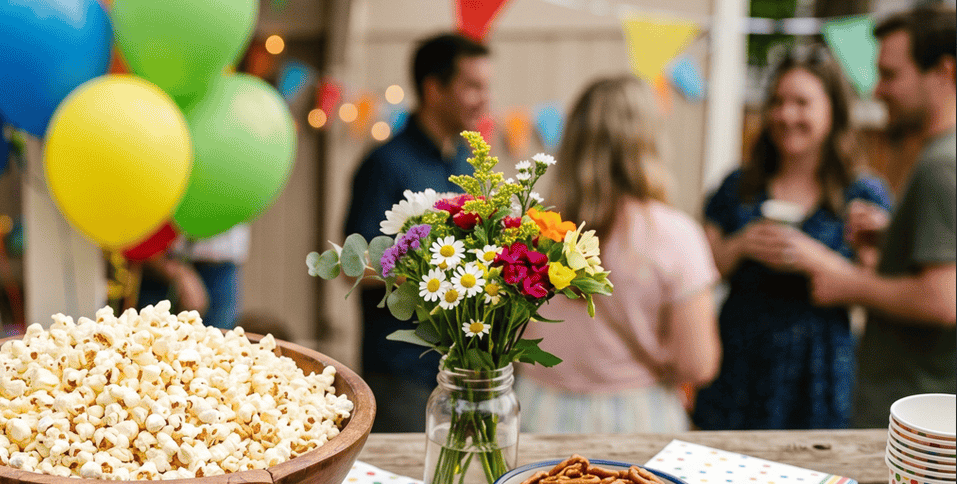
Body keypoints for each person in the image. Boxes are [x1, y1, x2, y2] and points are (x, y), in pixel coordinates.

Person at [693, 47, 893, 430]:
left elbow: (881, 289)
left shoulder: (864, 194)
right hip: (741, 358)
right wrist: (741, 245)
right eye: (778, 102)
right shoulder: (739, 185)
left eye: (802, 103)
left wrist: (818, 259)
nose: (786, 115)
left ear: (832, 109)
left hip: (819, 364)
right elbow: (702, 269)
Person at [515, 76, 722, 434]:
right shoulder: (675, 235)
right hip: (638, 416)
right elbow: (698, 364)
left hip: (538, 409)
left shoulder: (533, 229)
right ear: (649, 141)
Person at [784, 5, 955, 427]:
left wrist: (844, 282)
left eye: (891, 75)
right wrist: (895, 236)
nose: (877, 90)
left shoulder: (941, 165)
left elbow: (942, 299)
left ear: (944, 73)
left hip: (913, 413)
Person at [343, 32, 491, 432]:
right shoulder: (385, 164)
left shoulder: (468, 160)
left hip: (466, 365)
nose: (483, 100)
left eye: (486, 87)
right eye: (472, 86)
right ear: (433, 88)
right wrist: (434, 273)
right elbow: (353, 267)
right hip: (401, 372)